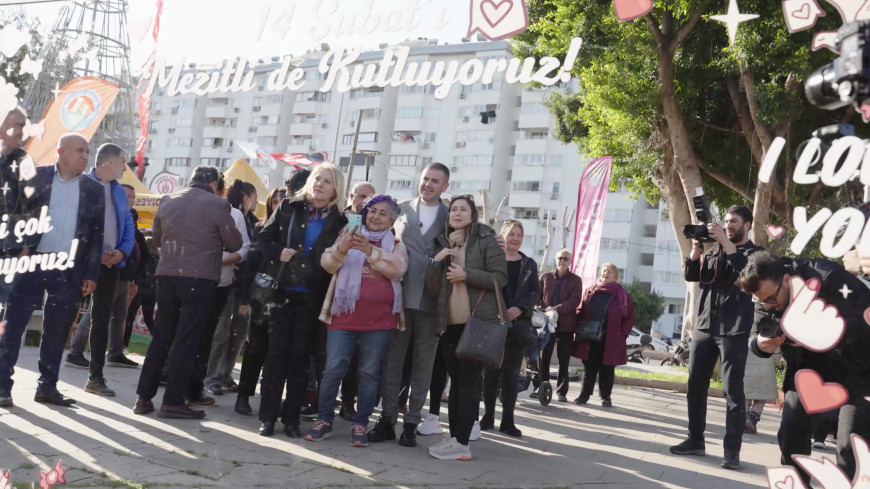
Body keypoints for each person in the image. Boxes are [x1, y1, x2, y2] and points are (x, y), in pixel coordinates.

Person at [737, 251, 870, 485]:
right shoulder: (765, 294)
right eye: (762, 301)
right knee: (791, 434)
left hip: (858, 371)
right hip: (808, 373)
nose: (769, 305)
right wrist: (762, 344)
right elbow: (757, 334)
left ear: (787, 279)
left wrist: (824, 332)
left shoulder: (830, 278)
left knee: (852, 445)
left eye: (771, 299)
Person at [0, 133, 105, 408]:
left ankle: (47, 387)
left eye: (87, 151)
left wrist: (91, 274)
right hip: (29, 263)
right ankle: (2, 386)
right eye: (80, 151)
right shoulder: (36, 177)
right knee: (12, 327)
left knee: (57, 331)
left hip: (68, 269)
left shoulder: (93, 188)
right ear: (61, 152)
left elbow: (96, 234)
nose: (85, 156)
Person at [133, 166, 242, 419]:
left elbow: (157, 239)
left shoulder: (169, 201)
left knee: (161, 337)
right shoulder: (217, 205)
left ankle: (143, 398)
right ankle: (173, 401)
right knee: (186, 340)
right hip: (199, 278)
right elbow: (234, 243)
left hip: (167, 275)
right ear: (214, 183)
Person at [304, 195, 408, 446]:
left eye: (383, 213)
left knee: (369, 373)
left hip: (380, 321)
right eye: (371, 211)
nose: (375, 216)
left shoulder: (395, 244)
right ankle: (324, 419)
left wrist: (369, 251)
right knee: (332, 370)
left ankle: (361, 423)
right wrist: (343, 248)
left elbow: (398, 270)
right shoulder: (346, 235)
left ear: (392, 220)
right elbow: (327, 265)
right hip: (342, 317)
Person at [256, 163, 347, 438]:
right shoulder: (288, 208)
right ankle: (268, 418)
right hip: (282, 292)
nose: (319, 184)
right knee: (275, 356)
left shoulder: (340, 221)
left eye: (327, 181)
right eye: (317, 178)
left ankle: (292, 419)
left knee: (299, 360)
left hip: (313, 297)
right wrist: (278, 251)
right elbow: (262, 239)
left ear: (336, 189)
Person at [670, 205, 762, 470]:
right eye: (726, 221)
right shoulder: (714, 252)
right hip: (705, 326)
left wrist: (726, 243)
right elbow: (692, 276)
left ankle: (732, 451)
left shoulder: (754, 254)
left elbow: (750, 276)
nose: (728, 225)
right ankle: (695, 440)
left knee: (734, 392)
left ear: (747, 224)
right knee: (695, 386)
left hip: (734, 329)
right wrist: (696, 251)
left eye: (734, 221)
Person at [368, 163, 449, 447]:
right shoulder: (400, 209)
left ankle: (412, 422)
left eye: (435, 181)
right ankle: (388, 419)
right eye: (425, 179)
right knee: (392, 362)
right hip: (399, 296)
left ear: (445, 187)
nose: (428, 184)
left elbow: (471, 241)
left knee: (423, 366)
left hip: (432, 299)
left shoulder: (451, 215)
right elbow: (373, 228)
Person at [425, 194, 507, 460]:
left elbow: (500, 278)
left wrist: (466, 275)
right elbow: (432, 287)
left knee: (469, 384)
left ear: (473, 214)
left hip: (477, 321)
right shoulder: (445, 242)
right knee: (457, 383)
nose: (457, 213)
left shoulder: (485, 238)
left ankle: (462, 444)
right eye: (453, 210)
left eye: (463, 209)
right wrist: (435, 263)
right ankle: (455, 438)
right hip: (449, 322)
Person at [235, 179, 305, 416]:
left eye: (283, 199)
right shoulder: (261, 228)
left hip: (288, 299)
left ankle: (270, 398)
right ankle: (244, 394)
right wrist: (244, 300)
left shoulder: (301, 230)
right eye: (275, 200)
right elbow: (250, 266)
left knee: (278, 352)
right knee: (256, 347)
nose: (280, 202)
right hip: (262, 295)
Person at [73, 143, 135, 396]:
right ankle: (48, 380)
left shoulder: (119, 191)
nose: (125, 166)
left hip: (111, 264)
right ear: (108, 161)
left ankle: (95, 378)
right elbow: (74, 223)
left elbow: (129, 225)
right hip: (81, 262)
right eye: (123, 160)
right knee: (64, 315)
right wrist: (94, 253)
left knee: (100, 320)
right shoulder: (81, 185)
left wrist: (121, 252)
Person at [480, 220, 539, 438]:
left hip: (517, 325)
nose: (515, 238)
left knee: (512, 374)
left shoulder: (529, 264)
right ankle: (487, 416)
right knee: (491, 372)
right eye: (511, 234)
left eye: (519, 235)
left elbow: (534, 292)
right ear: (503, 235)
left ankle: (508, 420)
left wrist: (519, 308)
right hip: (493, 322)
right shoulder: (493, 260)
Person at [205, 180, 257, 396]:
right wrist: (230, 261)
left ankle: (226, 374)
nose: (256, 202)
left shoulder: (252, 221)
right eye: (254, 197)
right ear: (246, 197)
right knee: (222, 332)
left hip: (246, 286)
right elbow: (236, 249)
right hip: (228, 282)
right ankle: (212, 377)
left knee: (238, 334)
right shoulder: (230, 214)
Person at [572, 263, 635, 407]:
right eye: (604, 270)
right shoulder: (590, 291)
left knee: (607, 368)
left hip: (611, 338)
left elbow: (629, 317)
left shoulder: (622, 294)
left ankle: (606, 397)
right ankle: (584, 395)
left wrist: (622, 334)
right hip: (590, 336)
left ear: (616, 276)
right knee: (589, 367)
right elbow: (580, 310)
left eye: (610, 271)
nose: (606, 273)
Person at [535, 248, 583, 402]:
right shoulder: (546, 276)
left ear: (570, 261)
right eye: (560, 258)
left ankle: (562, 392)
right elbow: (536, 295)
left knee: (564, 359)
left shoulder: (576, 280)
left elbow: (575, 301)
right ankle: (541, 387)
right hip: (545, 323)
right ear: (555, 259)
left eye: (566, 258)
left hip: (565, 325)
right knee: (544, 358)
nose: (562, 261)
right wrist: (536, 308)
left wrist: (556, 309)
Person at [742, 344, 778, 434]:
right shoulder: (774, 340)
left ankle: (744, 417)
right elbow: (776, 359)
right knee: (760, 400)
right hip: (765, 376)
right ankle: (752, 419)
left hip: (747, 374)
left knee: (746, 398)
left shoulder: (749, 339)